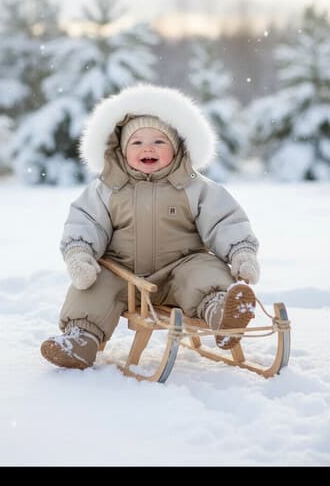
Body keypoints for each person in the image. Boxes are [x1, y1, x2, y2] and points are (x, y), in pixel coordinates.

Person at [41, 84, 260, 370]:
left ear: (177, 147)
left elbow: (225, 220)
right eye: (137, 142)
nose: (148, 148)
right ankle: (80, 338)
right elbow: (86, 222)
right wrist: (79, 254)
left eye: (159, 142)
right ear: (120, 150)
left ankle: (223, 313)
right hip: (123, 271)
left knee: (205, 272)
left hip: (180, 266)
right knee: (94, 286)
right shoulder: (106, 189)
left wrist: (241, 253)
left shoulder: (195, 187)